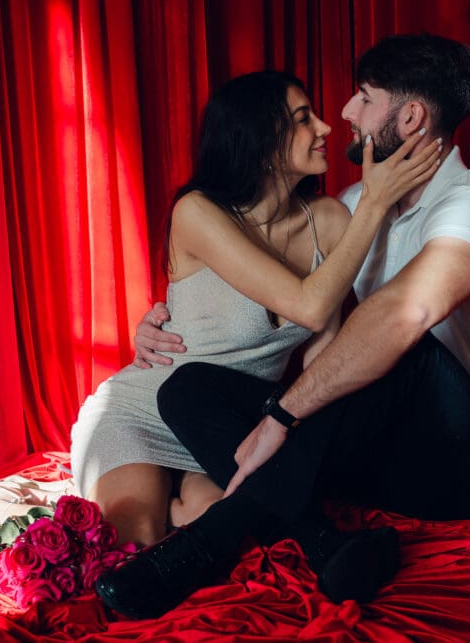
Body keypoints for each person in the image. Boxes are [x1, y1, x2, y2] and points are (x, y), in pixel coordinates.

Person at [95, 34, 470, 618]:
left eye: (363, 98)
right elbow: (293, 311)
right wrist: (161, 318)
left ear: (412, 116)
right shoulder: (349, 204)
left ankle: (205, 544)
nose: (342, 113)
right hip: (370, 453)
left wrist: (281, 415)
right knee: (186, 387)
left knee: (400, 345)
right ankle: (326, 543)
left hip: (456, 461)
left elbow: (401, 317)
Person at [68, 70, 441, 549]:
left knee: (229, 529)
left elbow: (323, 353)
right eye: (305, 119)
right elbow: (308, 306)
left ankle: (180, 501)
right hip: (142, 413)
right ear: (261, 141)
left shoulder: (328, 220)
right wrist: (375, 201)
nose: (326, 128)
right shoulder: (198, 212)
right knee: (135, 541)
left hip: (230, 427)